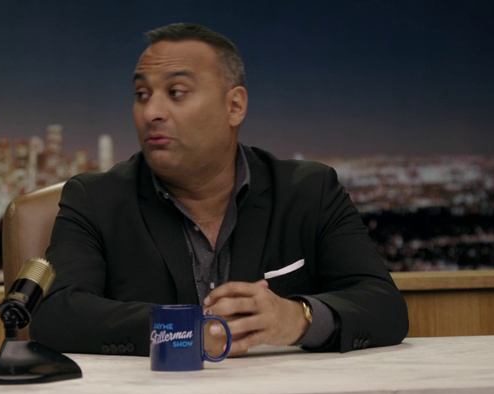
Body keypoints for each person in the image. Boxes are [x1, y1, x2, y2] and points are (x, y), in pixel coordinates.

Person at [30, 23, 408, 356]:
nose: (151, 112)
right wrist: (187, 331)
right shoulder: (96, 199)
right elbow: (57, 315)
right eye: (142, 94)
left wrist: (298, 317)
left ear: (235, 106)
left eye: (176, 92)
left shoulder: (310, 191)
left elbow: (385, 307)